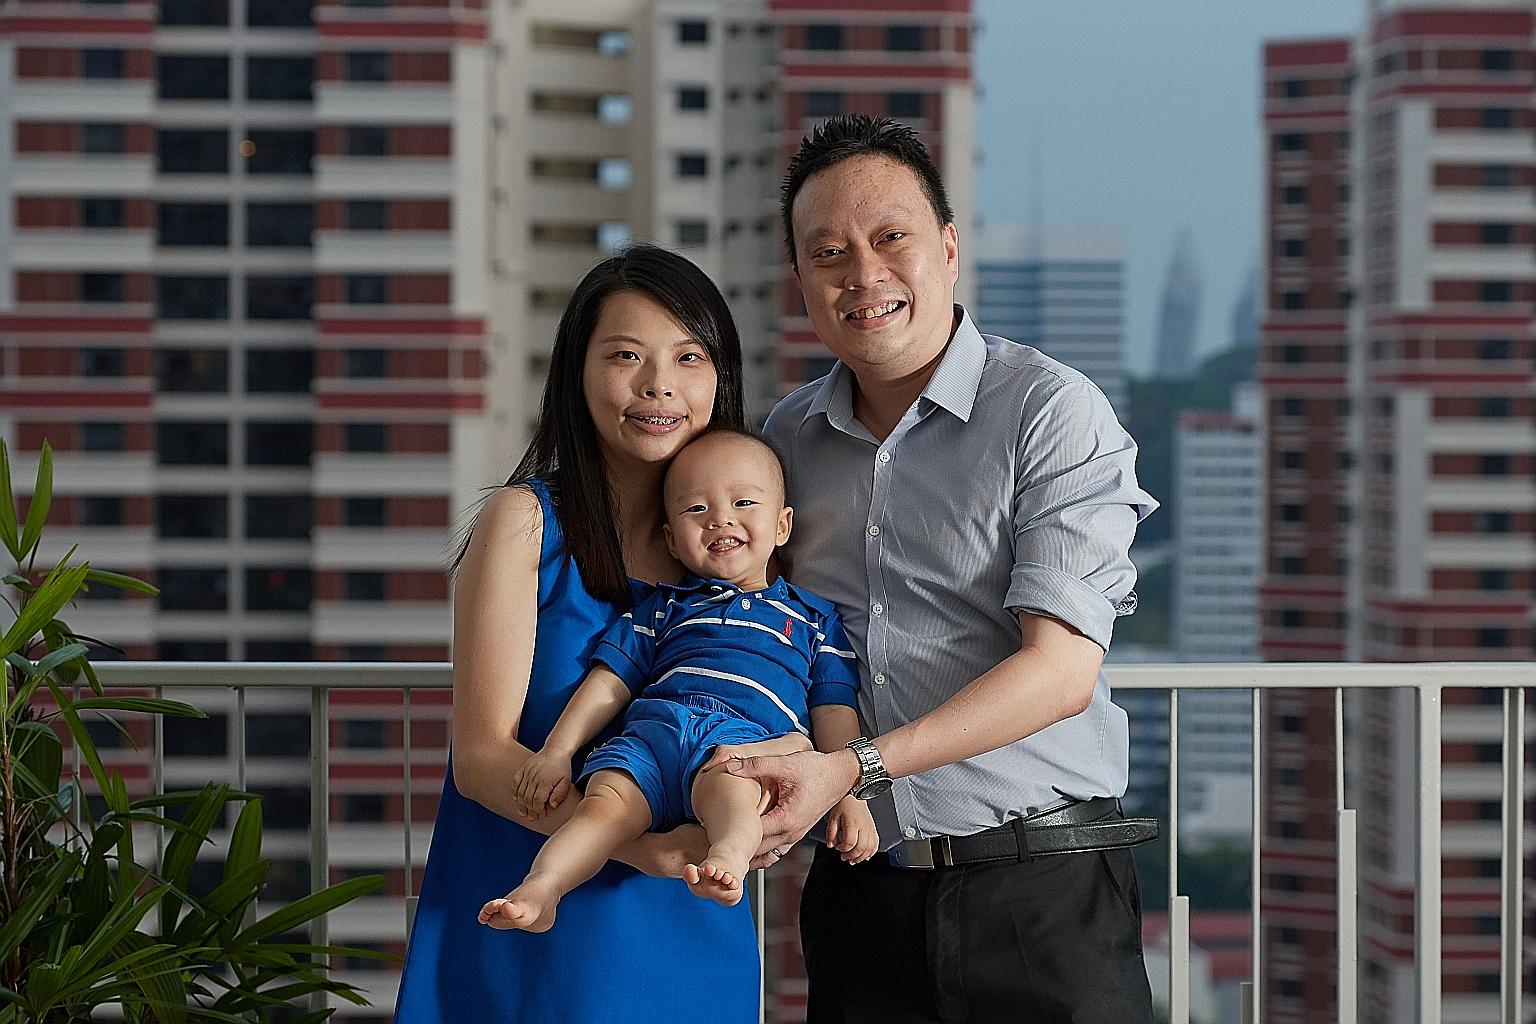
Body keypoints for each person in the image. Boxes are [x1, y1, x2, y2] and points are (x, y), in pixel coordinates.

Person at [728, 114, 1162, 1023]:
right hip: (861, 896)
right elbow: (756, 640)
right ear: (801, 280)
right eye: (828, 253)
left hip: (1042, 893)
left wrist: (855, 766)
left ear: (950, 246)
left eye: (892, 238)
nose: (863, 275)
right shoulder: (782, 442)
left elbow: (1060, 672)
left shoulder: (1049, 410)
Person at [395, 245, 799, 1023]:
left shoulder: (740, 550)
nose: (660, 385)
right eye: (625, 356)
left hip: (691, 924)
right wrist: (640, 848)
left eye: (689, 357)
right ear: (577, 374)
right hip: (535, 931)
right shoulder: (524, 525)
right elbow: (482, 761)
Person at [476, 429, 877, 932]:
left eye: (743, 502)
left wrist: (851, 794)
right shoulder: (663, 606)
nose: (720, 518)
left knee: (734, 789)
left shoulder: (815, 620)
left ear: (782, 525)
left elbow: (835, 712)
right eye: (695, 510)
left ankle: (728, 857)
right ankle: (543, 888)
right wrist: (556, 752)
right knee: (601, 808)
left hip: (739, 745)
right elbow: (608, 683)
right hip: (652, 736)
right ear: (670, 538)